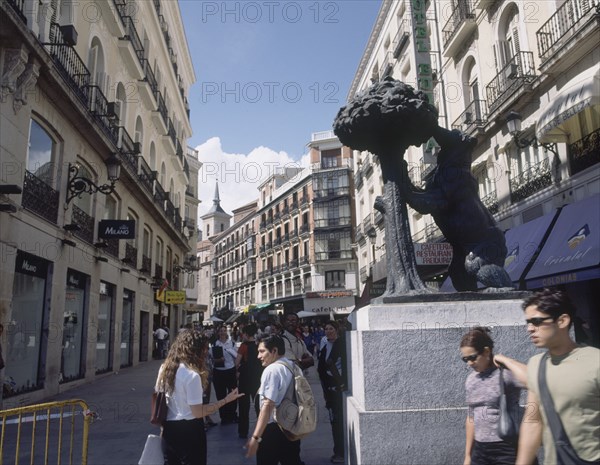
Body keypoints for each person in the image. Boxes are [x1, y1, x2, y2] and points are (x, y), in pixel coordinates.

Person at [516, 288, 600, 465]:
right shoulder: (535, 365)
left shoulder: (595, 362)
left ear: (562, 321)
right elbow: (532, 421)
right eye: (528, 322)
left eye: (537, 321)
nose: (529, 329)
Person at [155, 329, 243, 465]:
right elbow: (198, 412)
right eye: (204, 348)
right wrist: (225, 400)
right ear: (195, 350)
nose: (206, 352)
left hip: (169, 430)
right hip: (190, 431)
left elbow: (159, 400)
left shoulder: (164, 369)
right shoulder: (192, 375)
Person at [459, 327, 529, 465]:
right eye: (465, 359)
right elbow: (471, 417)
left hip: (506, 447)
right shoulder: (471, 380)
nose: (469, 363)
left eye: (472, 357)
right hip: (480, 450)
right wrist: (468, 455)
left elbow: (534, 379)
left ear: (486, 351)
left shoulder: (505, 374)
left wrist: (505, 360)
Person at [245, 335, 303, 465]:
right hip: (291, 426)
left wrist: (256, 437)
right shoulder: (293, 366)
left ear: (274, 351)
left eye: (262, 351)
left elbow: (268, 405)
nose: (258, 356)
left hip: (273, 430)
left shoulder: (272, 370)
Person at [317, 321, 347, 464]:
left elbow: (335, 365)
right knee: (335, 422)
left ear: (337, 330)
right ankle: (338, 451)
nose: (328, 331)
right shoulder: (324, 347)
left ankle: (342, 451)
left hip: (341, 389)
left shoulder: (342, 344)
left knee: (341, 422)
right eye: (326, 329)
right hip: (330, 391)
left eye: (331, 328)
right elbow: (322, 369)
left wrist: (341, 382)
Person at [236, 323, 264, 439]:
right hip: (257, 378)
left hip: (244, 379)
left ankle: (243, 431)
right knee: (258, 405)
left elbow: (237, 362)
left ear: (247, 335)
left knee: (243, 406)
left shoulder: (243, 346)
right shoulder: (259, 346)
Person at [212, 325, 239, 424]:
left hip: (230, 370)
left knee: (233, 393)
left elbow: (237, 357)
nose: (223, 332)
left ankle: (233, 414)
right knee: (220, 395)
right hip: (218, 371)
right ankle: (224, 417)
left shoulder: (231, 343)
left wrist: (237, 370)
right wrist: (217, 360)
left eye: (224, 331)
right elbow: (210, 359)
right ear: (218, 333)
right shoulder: (215, 343)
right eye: (221, 331)